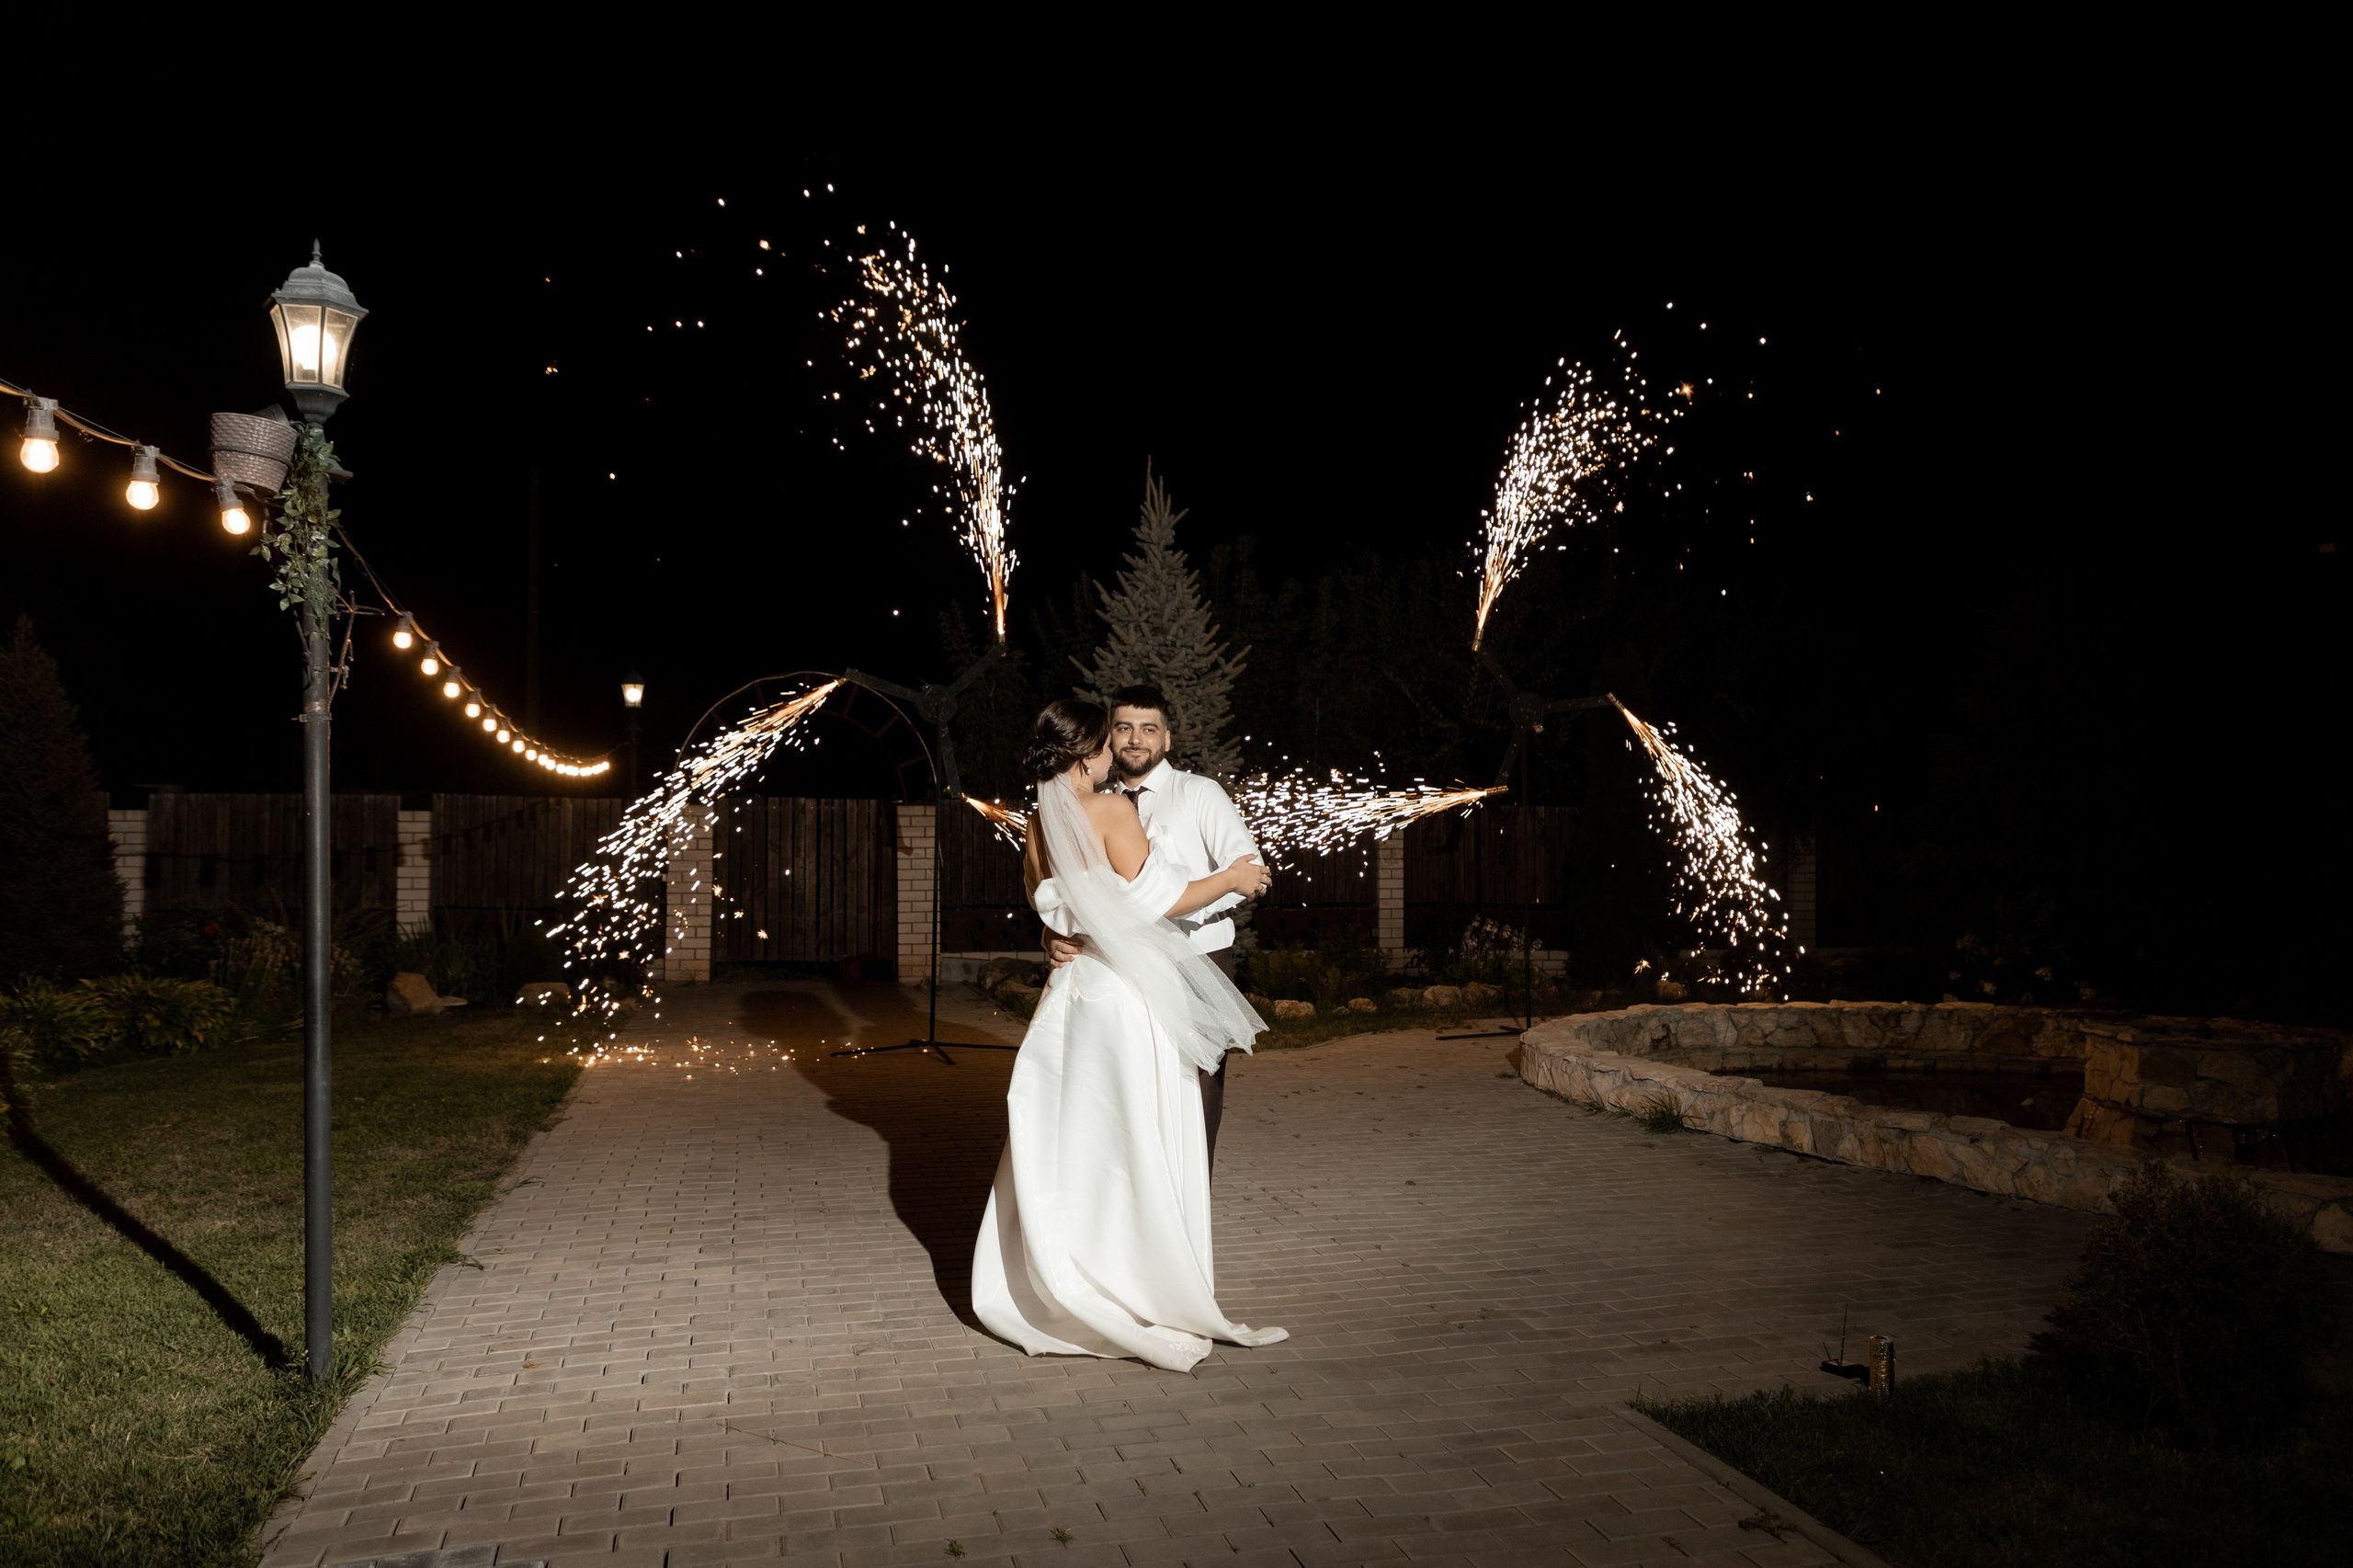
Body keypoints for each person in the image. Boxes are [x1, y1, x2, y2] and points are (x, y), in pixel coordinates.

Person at [972, 699, 1285, 1371]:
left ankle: (1073, 1269)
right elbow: (1160, 900)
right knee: (1140, 1133)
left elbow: (1058, 905)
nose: (1120, 750)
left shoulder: (1035, 823)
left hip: (1074, 998)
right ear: (1092, 752)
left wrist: (1061, 938)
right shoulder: (1114, 810)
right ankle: (1144, 1281)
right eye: (1110, 741)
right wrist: (1232, 877)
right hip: (1125, 996)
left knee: (1081, 1135)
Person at [1042, 683, 1258, 1172]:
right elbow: (1070, 894)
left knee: (1196, 1087)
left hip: (1199, 956)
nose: (1136, 739)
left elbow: (1249, 871)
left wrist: (1175, 908)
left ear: (1167, 738)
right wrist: (1053, 936)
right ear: (1107, 742)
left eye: (1148, 729)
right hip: (1126, 968)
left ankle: (1189, 1203)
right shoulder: (1099, 804)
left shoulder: (1199, 793)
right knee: (1139, 1087)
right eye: (1123, 728)